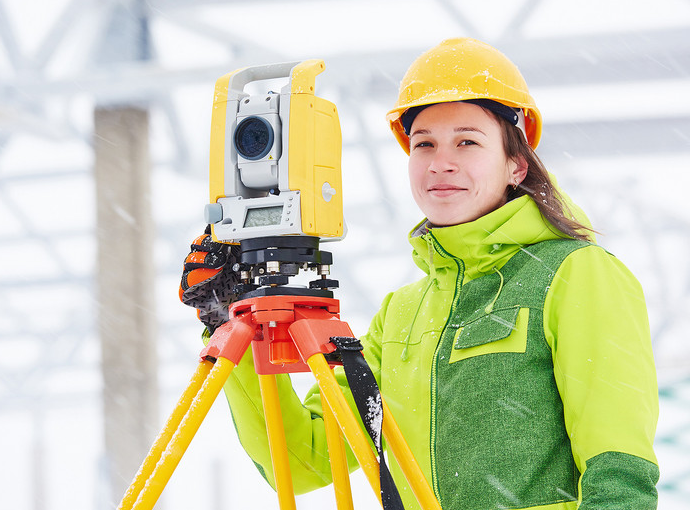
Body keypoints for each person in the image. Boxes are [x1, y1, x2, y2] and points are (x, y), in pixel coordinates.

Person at [180, 37, 660, 510]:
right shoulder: (402, 314)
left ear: (517, 164)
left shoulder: (577, 274)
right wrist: (225, 320)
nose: (440, 163)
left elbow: (619, 474)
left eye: (467, 142)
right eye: (423, 144)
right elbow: (304, 460)